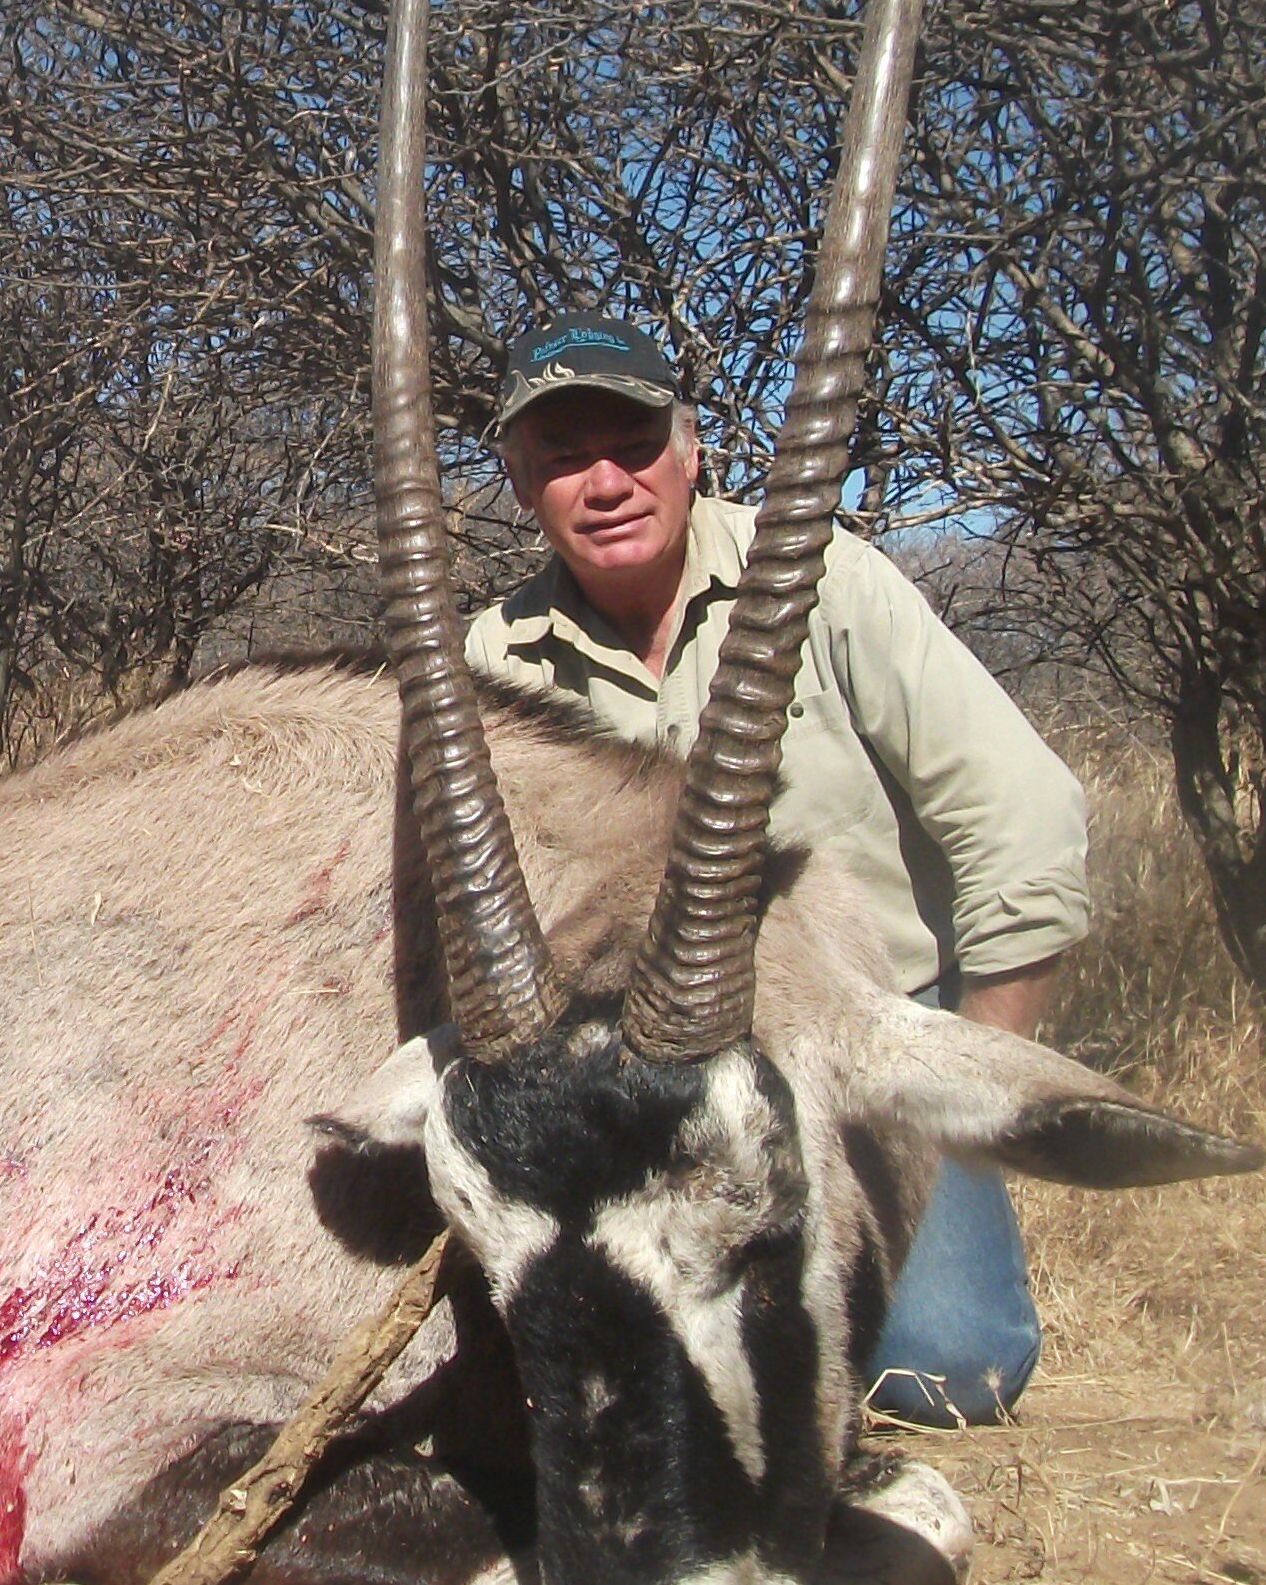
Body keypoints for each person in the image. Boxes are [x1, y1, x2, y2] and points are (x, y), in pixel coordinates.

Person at [462, 309, 1094, 1424]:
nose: (603, 481)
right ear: (519, 482)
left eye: (631, 442)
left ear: (691, 451)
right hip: (629, 1088)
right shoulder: (492, 659)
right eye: (561, 455)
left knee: (945, 1373)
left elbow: (1025, 823)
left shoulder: (826, 580)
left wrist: (956, 1095)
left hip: (849, 1051)